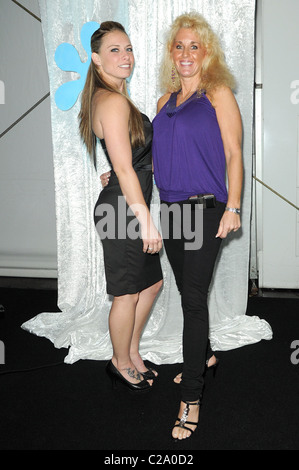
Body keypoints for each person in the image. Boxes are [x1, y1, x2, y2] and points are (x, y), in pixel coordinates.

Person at [152, 12, 243, 440]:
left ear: (206, 53)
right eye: (179, 45)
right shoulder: (163, 102)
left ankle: (191, 397)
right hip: (170, 210)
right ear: (172, 53)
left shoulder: (217, 93)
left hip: (207, 210)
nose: (186, 53)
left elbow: (234, 154)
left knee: (192, 298)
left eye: (195, 46)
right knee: (187, 288)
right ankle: (203, 355)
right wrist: (116, 175)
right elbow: (155, 157)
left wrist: (235, 206)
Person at [78, 21, 163, 393]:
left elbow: (126, 160)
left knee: (152, 283)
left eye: (128, 48)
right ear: (96, 59)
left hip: (126, 202)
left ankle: (130, 351)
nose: (125, 56)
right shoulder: (111, 101)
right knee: (127, 292)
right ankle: (119, 361)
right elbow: (126, 167)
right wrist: (146, 221)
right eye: (115, 50)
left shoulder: (114, 98)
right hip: (123, 211)